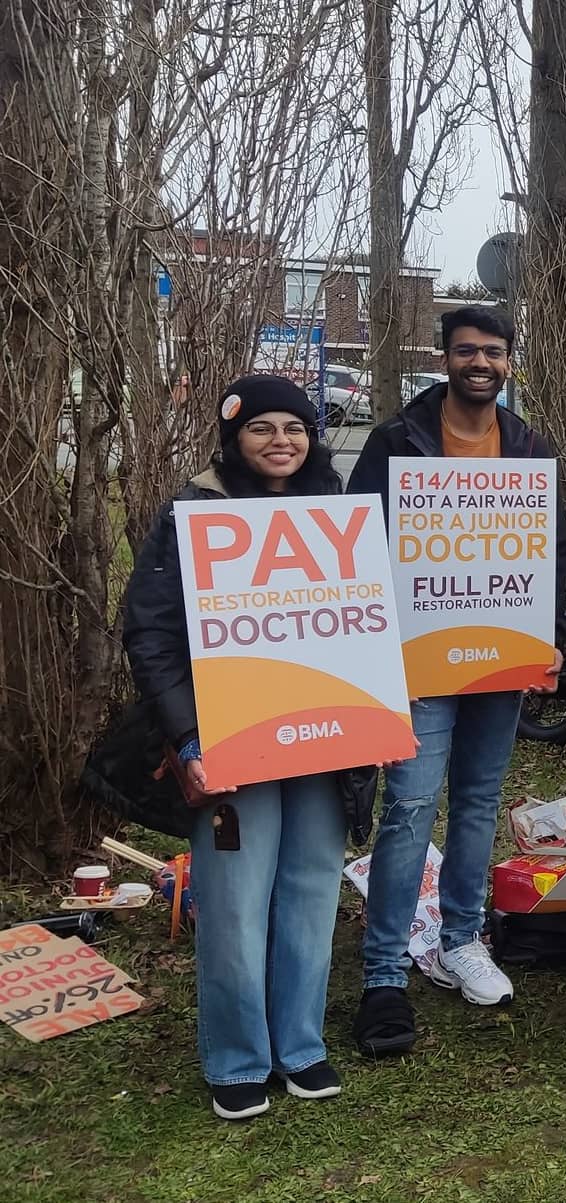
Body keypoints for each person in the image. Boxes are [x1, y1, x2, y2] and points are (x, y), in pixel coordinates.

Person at [123, 375, 360, 1120]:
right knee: (231, 901)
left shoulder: (337, 512)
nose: (281, 440)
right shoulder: (193, 512)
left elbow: (368, 624)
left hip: (326, 738)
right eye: (263, 427)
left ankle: (299, 1045)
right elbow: (152, 632)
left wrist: (380, 714)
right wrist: (188, 736)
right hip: (232, 740)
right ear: (234, 437)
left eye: (295, 426)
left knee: (312, 891)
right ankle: (236, 1056)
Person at [347, 306, 566, 1056]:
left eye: (494, 352)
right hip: (418, 657)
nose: (481, 362)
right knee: (409, 804)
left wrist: (547, 639)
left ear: (510, 363)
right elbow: (354, 545)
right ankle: (383, 970)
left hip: (500, 655)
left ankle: (462, 939)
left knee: (477, 802)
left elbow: (550, 548)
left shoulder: (529, 445)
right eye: (467, 350)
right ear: (444, 358)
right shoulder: (393, 440)